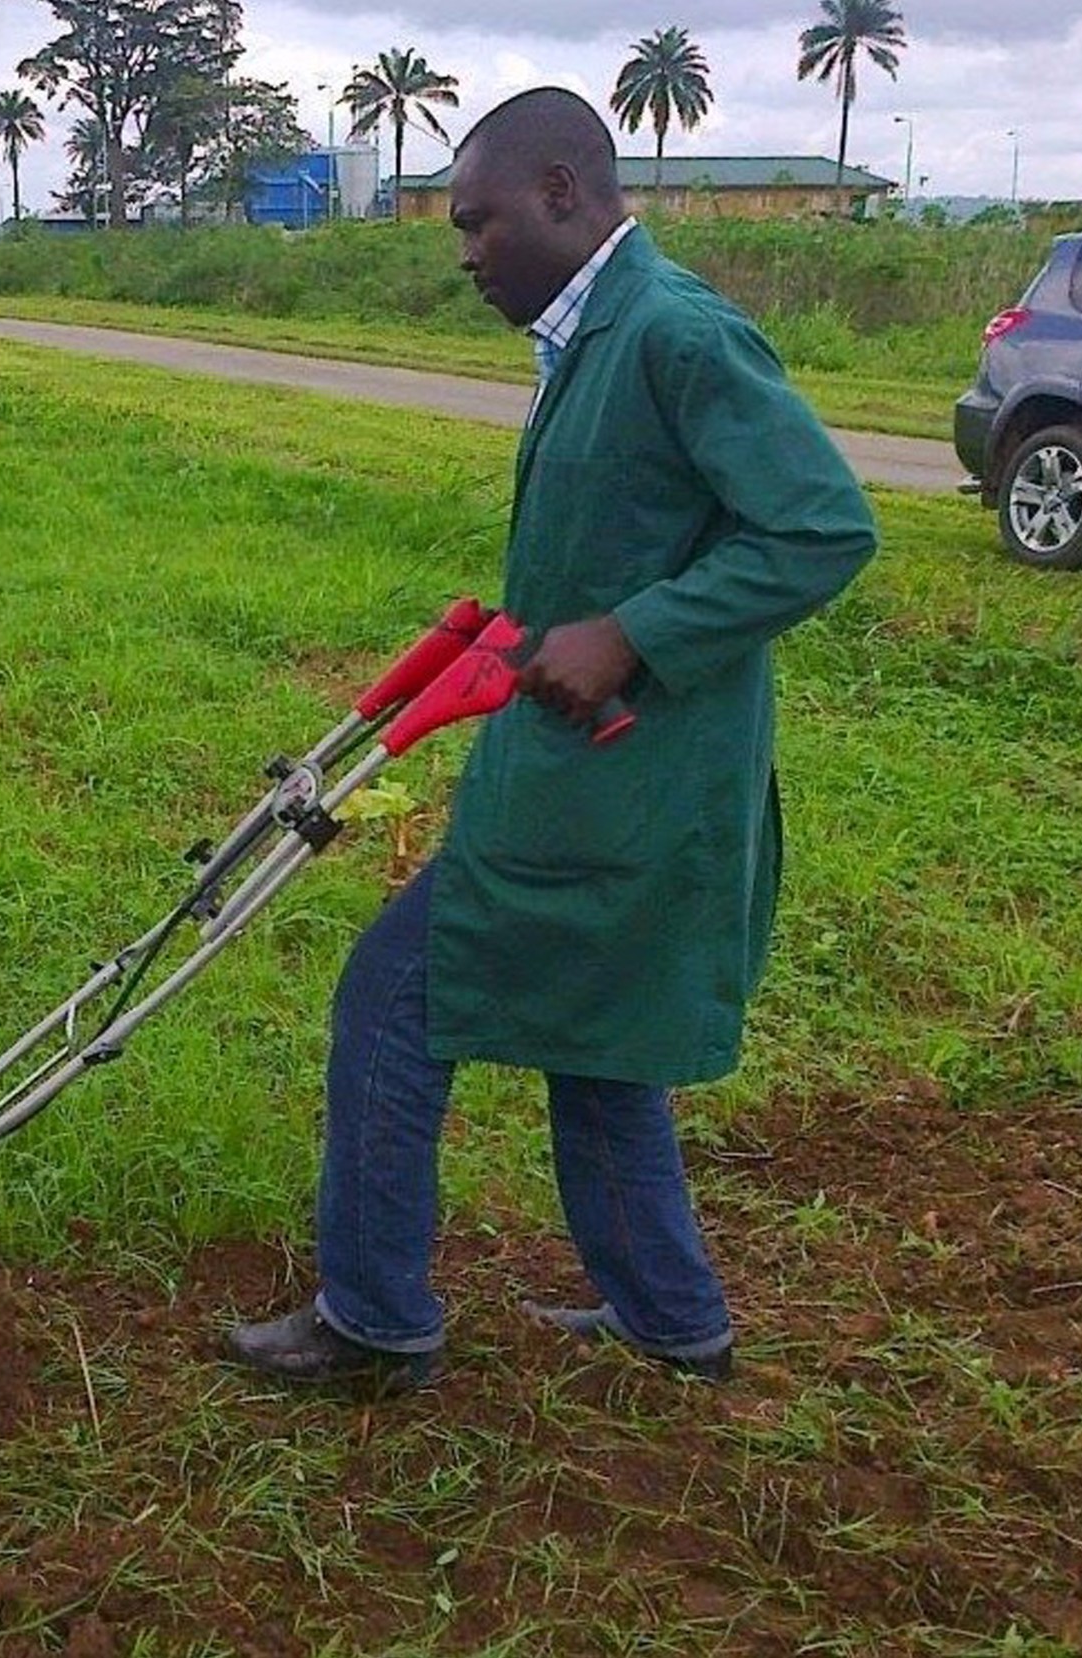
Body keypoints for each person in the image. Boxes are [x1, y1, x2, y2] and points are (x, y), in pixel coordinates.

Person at [225, 87, 877, 1391]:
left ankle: (373, 1321)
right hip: (591, 782)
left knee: (394, 998)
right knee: (604, 1042)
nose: (464, 252)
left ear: (564, 195)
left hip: (633, 791)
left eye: (479, 222)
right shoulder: (593, 339)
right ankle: (673, 1323)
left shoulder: (675, 335)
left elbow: (822, 527)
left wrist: (632, 631)